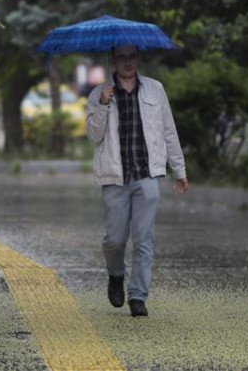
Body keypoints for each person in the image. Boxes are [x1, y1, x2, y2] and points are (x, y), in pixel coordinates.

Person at [85, 45, 188, 317]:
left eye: (132, 57)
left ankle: (138, 295)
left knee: (144, 239)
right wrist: (103, 106)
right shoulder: (99, 94)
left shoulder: (155, 89)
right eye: (122, 57)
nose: (128, 62)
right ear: (114, 60)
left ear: (138, 59)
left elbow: (168, 130)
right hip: (114, 177)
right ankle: (116, 274)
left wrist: (179, 169)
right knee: (114, 240)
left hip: (147, 175)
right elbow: (94, 136)